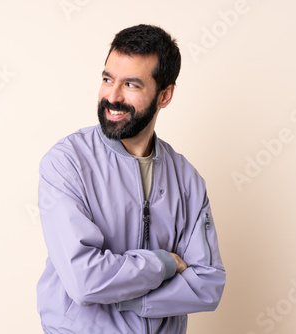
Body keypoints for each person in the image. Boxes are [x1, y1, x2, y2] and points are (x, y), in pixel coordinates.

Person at [36, 24, 225, 334]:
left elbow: (208, 283)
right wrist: (165, 264)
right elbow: (83, 281)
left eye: (131, 85)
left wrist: (132, 300)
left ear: (164, 95)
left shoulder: (187, 179)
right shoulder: (67, 162)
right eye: (107, 79)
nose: (112, 96)